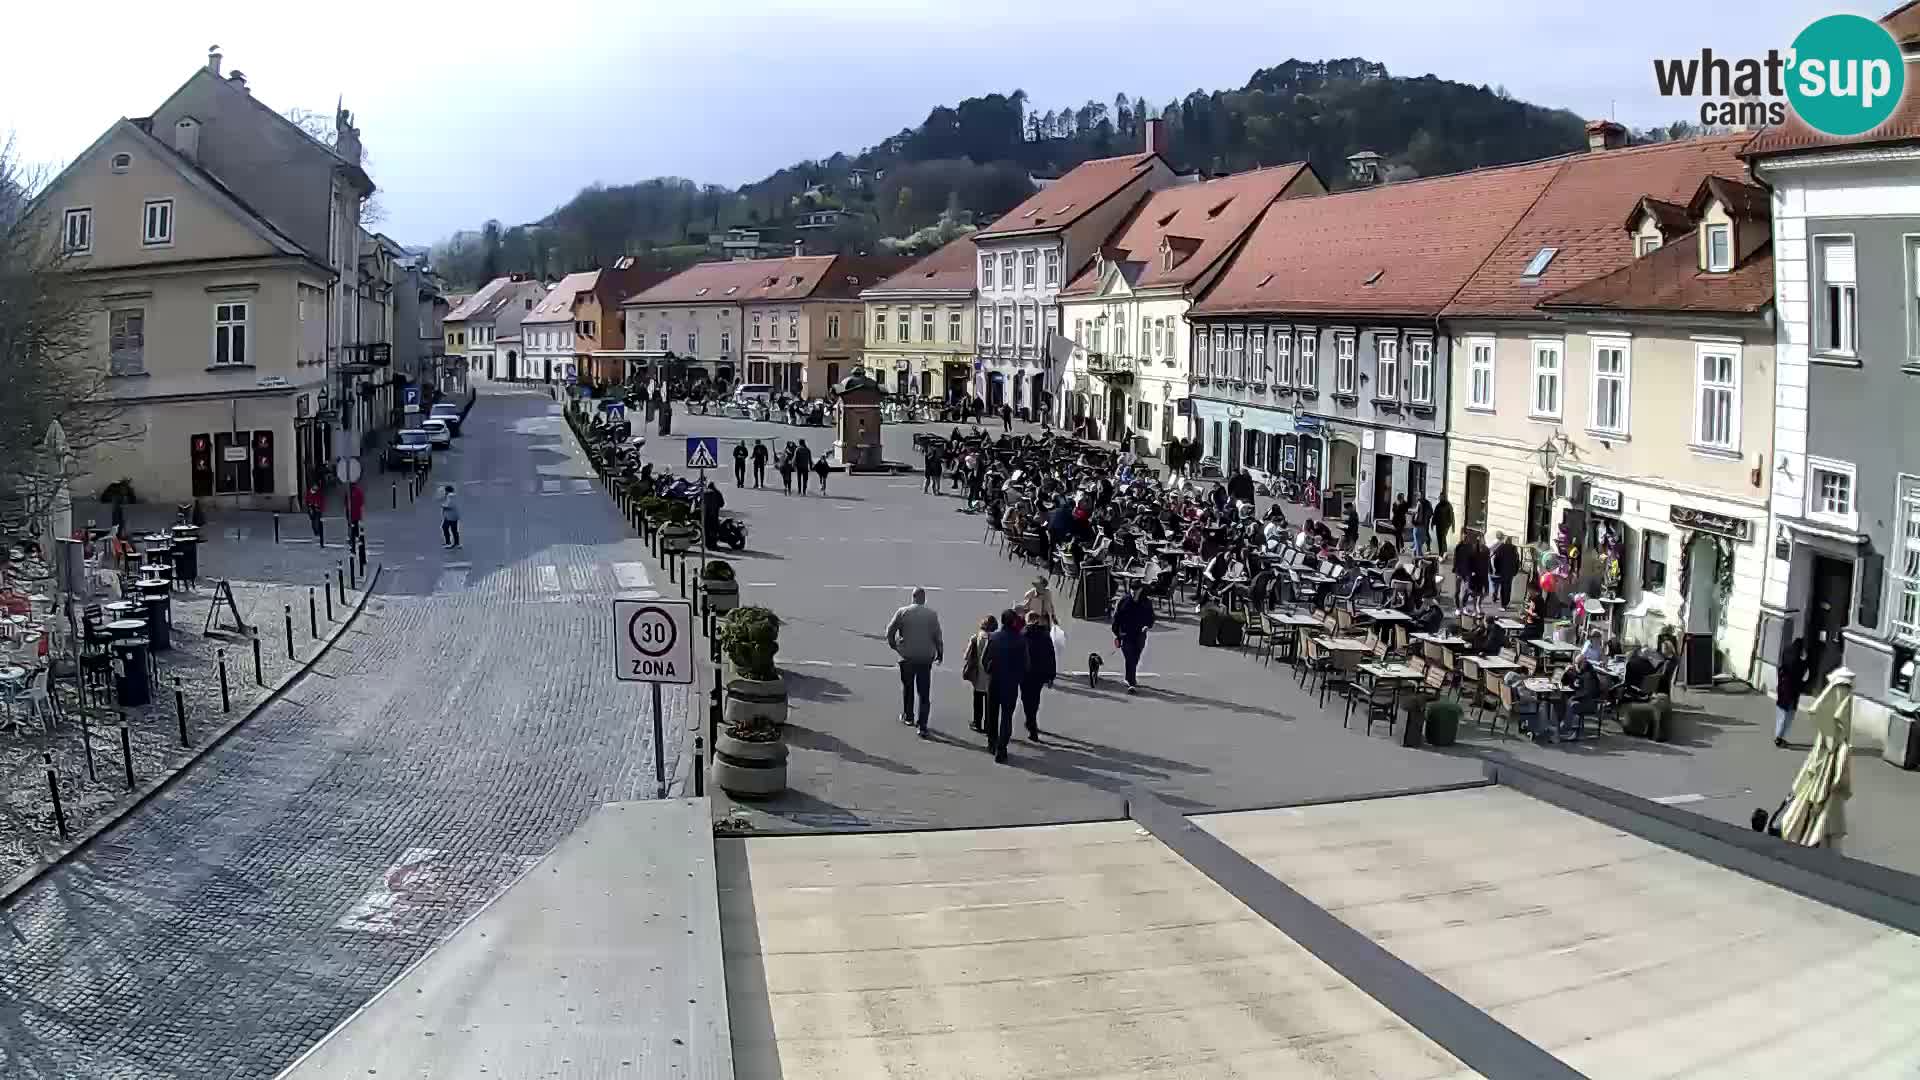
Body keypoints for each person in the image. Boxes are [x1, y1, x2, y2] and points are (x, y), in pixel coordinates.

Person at [1779, 666, 1855, 851]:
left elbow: (1812, 768)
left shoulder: (1825, 738)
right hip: (1827, 798)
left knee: (1816, 823)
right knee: (1825, 829)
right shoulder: (1838, 747)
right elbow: (1840, 783)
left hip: (1818, 790)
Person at [885, 587, 944, 736]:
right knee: (924, 692)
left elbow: (890, 631)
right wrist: (940, 652)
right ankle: (922, 726)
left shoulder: (902, 612)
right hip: (925, 657)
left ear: (913, 597)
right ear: (924, 599)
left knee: (908, 686)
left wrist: (894, 645)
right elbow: (937, 636)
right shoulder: (931, 615)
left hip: (907, 656)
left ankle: (908, 716)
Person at [982, 608, 1029, 763]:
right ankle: (1001, 749)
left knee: (992, 713)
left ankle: (991, 743)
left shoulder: (994, 637)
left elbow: (984, 659)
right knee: (1007, 716)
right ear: (1014, 622)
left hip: (994, 680)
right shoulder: (1020, 640)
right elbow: (1025, 664)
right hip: (1010, 683)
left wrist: (990, 670)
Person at [1111, 580, 1156, 693]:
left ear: (1140, 590)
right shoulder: (1124, 601)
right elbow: (1116, 618)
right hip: (1125, 634)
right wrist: (1117, 633)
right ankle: (1131, 682)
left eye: (1136, 589)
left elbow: (1151, 618)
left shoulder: (1146, 602)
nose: (1133, 592)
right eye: (1132, 589)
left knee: (1135, 657)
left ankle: (1128, 677)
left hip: (1140, 634)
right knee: (1129, 657)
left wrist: (1147, 626)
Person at [1020, 611, 1057, 741]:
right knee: (1035, 698)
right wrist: (1051, 676)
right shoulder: (1045, 635)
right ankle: (1032, 720)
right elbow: (1051, 656)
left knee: (1025, 698)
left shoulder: (1022, 634)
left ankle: (1030, 721)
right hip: (1039, 673)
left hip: (1025, 673)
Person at [960, 615, 997, 734]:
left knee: (978, 700)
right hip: (991, 675)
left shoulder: (975, 638)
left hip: (978, 674)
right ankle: (988, 725)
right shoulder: (995, 639)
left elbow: (966, 656)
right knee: (990, 703)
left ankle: (977, 722)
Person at [1774, 635, 1807, 748]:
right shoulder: (1798, 662)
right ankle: (1779, 738)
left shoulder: (1786, 654)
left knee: (1780, 715)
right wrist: (1805, 659)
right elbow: (1802, 672)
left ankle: (1778, 736)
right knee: (1788, 717)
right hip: (1791, 693)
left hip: (1782, 689)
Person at [1492, 533, 1520, 609]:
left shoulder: (1501, 547)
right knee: (1508, 588)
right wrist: (1516, 570)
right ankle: (1506, 603)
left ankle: (1503, 604)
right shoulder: (1514, 548)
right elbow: (1517, 561)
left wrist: (1497, 568)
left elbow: (1495, 559)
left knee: (1503, 588)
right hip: (1510, 572)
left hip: (1502, 571)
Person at [1451, 533, 1476, 609]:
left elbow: (1472, 560)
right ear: (1462, 538)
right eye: (1464, 537)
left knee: (1468, 589)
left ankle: (1464, 604)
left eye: (1466, 537)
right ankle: (1457, 607)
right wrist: (1455, 569)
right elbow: (1455, 559)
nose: (1465, 538)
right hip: (1459, 571)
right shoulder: (1458, 547)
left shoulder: (1470, 547)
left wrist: (1473, 570)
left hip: (1467, 571)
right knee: (1457, 591)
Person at [438, 484, 461, 548]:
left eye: (445, 491)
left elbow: (450, 505)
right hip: (452, 516)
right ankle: (456, 543)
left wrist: (443, 506)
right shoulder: (451, 496)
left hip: (450, 517)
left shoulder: (450, 496)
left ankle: (449, 542)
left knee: (445, 527)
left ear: (447, 491)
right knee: (454, 529)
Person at [1413, 493, 1433, 558]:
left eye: (1416, 496)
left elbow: (1418, 516)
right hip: (1424, 525)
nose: (1415, 498)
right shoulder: (1427, 503)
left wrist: (1414, 520)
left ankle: (1418, 557)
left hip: (1419, 526)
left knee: (1418, 542)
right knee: (1420, 541)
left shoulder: (1420, 504)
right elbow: (1430, 513)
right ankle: (1417, 553)